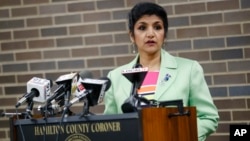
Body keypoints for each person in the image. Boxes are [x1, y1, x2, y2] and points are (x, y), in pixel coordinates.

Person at [103, 2, 219, 141]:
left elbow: (208, 117)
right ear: (132, 36)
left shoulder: (189, 70)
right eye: (142, 27)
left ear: (164, 34)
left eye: (157, 27)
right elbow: (110, 126)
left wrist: (181, 135)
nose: (150, 34)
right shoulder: (115, 77)